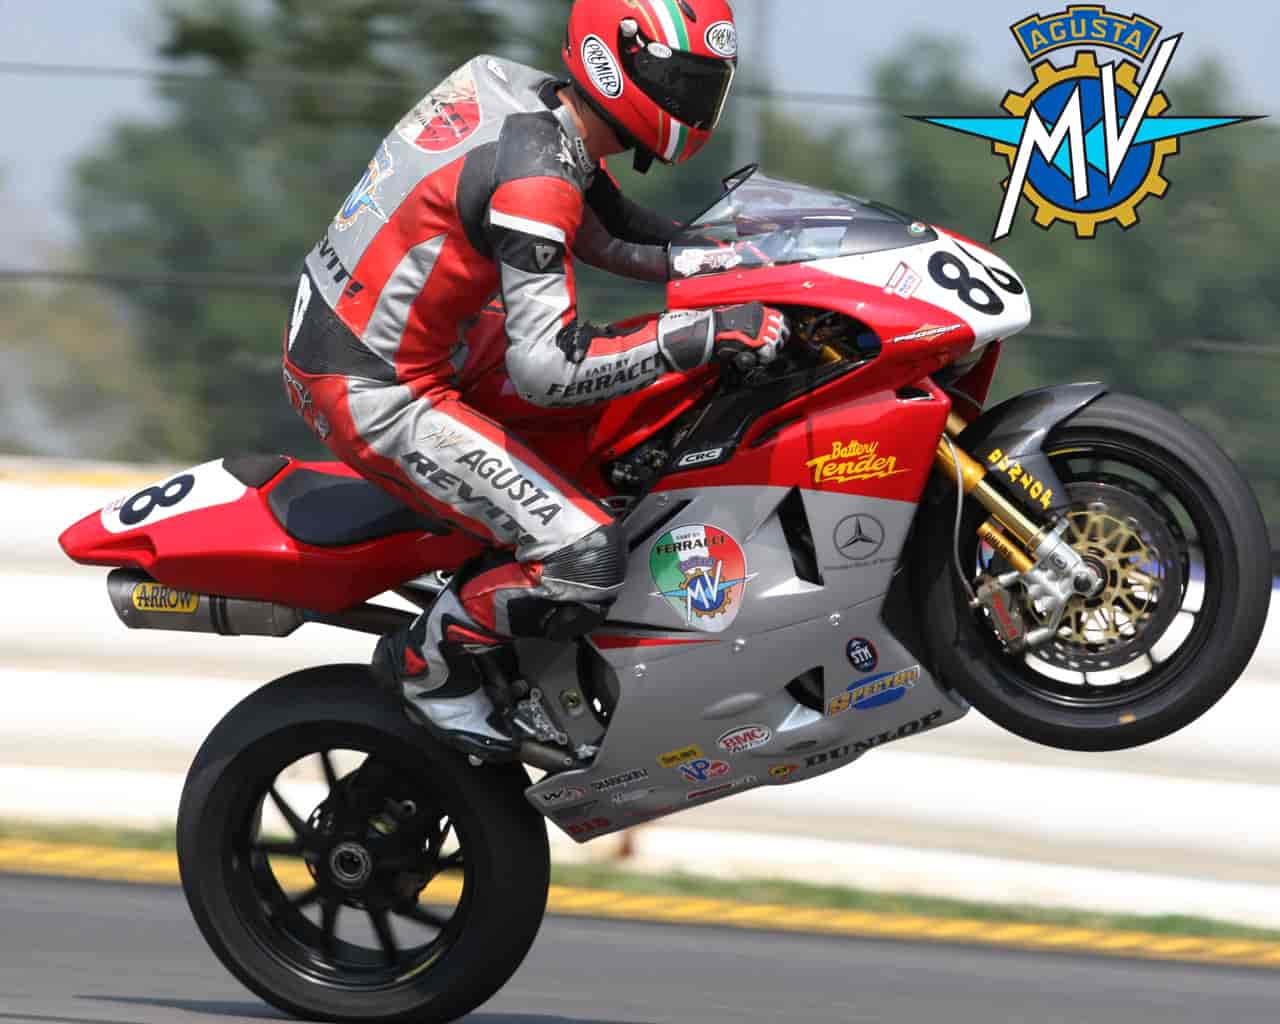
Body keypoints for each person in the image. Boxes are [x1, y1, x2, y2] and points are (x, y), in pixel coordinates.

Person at [281, 0, 789, 757]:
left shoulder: (521, 97)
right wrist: (702, 334)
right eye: (683, 81)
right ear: (618, 60)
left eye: (707, 87)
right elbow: (549, 368)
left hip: (412, 337)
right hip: (374, 386)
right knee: (585, 555)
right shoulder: (536, 173)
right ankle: (430, 666)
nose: (694, 104)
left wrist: (750, 263)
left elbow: (608, 231)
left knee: (632, 431)